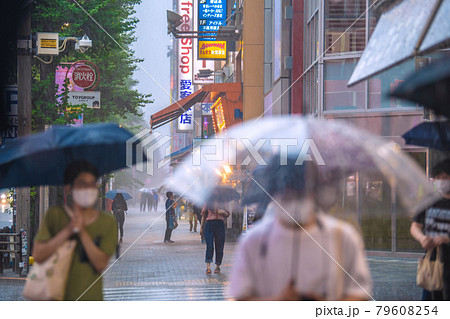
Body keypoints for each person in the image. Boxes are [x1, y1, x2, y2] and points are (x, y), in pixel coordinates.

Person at [229, 161, 372, 300]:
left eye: (301, 192)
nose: (294, 200)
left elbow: (359, 294)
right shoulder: (254, 241)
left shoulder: (343, 237)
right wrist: (278, 301)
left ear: (315, 192)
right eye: (287, 194)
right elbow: (241, 298)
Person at [32, 161, 117, 301]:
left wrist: (82, 231)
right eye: (82, 184)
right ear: (69, 188)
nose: (87, 189)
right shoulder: (55, 215)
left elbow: (100, 263)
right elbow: (38, 255)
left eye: (92, 184)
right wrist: (68, 230)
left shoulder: (107, 222)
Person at [410, 159, 450, 301]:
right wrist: (422, 238)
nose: (440, 181)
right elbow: (415, 226)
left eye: (444, 178)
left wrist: (446, 239)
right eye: (437, 178)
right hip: (432, 264)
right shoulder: (429, 201)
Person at [200, 200, 230, 274]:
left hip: (220, 224)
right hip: (209, 224)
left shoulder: (224, 202)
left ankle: (217, 266)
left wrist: (222, 212)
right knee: (209, 245)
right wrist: (201, 228)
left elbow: (227, 214)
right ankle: (208, 267)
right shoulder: (208, 202)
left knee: (219, 245)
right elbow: (203, 215)